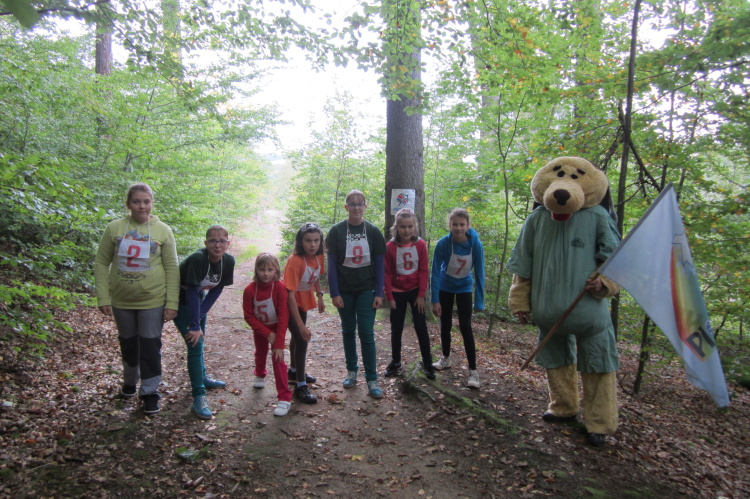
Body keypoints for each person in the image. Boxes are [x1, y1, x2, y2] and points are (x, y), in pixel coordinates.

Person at [94, 182, 179, 415]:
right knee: (128, 344)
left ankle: (150, 392)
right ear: (128, 204)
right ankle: (130, 382)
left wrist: (172, 302)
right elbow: (101, 262)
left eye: (146, 201)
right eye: (137, 201)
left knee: (150, 346)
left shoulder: (163, 230)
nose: (142, 206)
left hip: (153, 299)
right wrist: (103, 296)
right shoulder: (114, 228)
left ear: (152, 203)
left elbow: (172, 267)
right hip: (121, 300)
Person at [325, 190, 387, 399]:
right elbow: (331, 264)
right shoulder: (336, 231)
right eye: (352, 204)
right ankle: (351, 370)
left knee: (367, 333)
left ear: (365, 206)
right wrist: (334, 293)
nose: (357, 207)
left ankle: (372, 378)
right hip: (344, 290)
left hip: (367, 289)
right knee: (348, 330)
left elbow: (380, 264)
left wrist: (379, 292)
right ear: (346, 207)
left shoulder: (373, 231)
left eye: (360, 203)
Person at [173, 225, 235, 420]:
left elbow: (217, 288)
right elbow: (191, 289)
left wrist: (200, 314)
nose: (217, 245)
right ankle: (198, 396)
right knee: (195, 344)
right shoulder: (198, 258)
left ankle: (202, 377)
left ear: (228, 243)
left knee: (200, 340)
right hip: (179, 300)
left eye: (222, 241)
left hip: (198, 299)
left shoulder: (228, 261)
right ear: (205, 243)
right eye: (213, 241)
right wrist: (194, 324)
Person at [430, 208, 486, 389]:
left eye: (462, 224)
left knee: (465, 326)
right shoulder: (443, 244)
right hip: (445, 287)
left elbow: (480, 271)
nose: (458, 228)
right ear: (450, 225)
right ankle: (445, 358)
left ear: (468, 226)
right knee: (445, 324)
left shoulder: (475, 244)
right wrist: (435, 299)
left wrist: (479, 300)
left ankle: (473, 371)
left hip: (464, 288)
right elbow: (435, 273)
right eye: (455, 224)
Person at [383, 209, 434, 380]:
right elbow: (386, 274)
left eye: (410, 226)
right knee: (396, 328)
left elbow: (423, 270)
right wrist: (389, 297)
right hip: (397, 292)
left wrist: (421, 295)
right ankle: (396, 361)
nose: (406, 230)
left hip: (415, 292)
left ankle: (428, 362)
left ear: (415, 226)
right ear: (396, 227)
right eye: (403, 227)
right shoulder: (390, 247)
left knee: (420, 327)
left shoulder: (420, 245)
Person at [242, 253, 292, 417]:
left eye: (270, 270)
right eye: (262, 269)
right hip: (260, 327)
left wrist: (279, 343)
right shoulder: (250, 290)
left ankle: (284, 398)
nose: (266, 273)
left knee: (278, 358)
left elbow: (284, 316)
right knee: (261, 351)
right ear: (256, 269)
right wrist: (265, 332)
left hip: (277, 328)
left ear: (276, 270)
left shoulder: (279, 288)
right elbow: (248, 316)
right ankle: (260, 373)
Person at [284, 223, 326, 404]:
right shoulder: (295, 261)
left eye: (316, 240)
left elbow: (315, 277)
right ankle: (300, 385)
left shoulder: (319, 256)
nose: (313, 244)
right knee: (301, 338)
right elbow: (289, 295)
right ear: (301, 242)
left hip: (303, 299)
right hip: (289, 302)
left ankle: (294, 371)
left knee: (297, 338)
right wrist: (301, 326)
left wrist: (320, 296)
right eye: (308, 240)